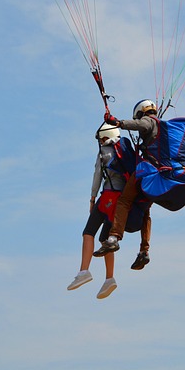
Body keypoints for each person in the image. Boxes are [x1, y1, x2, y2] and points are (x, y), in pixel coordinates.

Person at [97, 99, 160, 269]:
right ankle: (144, 251)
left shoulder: (149, 121)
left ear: (141, 111)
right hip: (160, 175)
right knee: (145, 210)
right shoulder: (163, 127)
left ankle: (114, 237)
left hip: (146, 170)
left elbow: (141, 124)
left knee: (124, 200)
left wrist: (118, 123)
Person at [67, 123, 123, 299]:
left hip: (107, 196)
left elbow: (97, 176)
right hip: (121, 201)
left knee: (88, 232)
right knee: (106, 240)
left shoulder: (104, 152)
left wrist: (92, 199)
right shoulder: (125, 150)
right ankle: (109, 278)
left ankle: (84, 271)